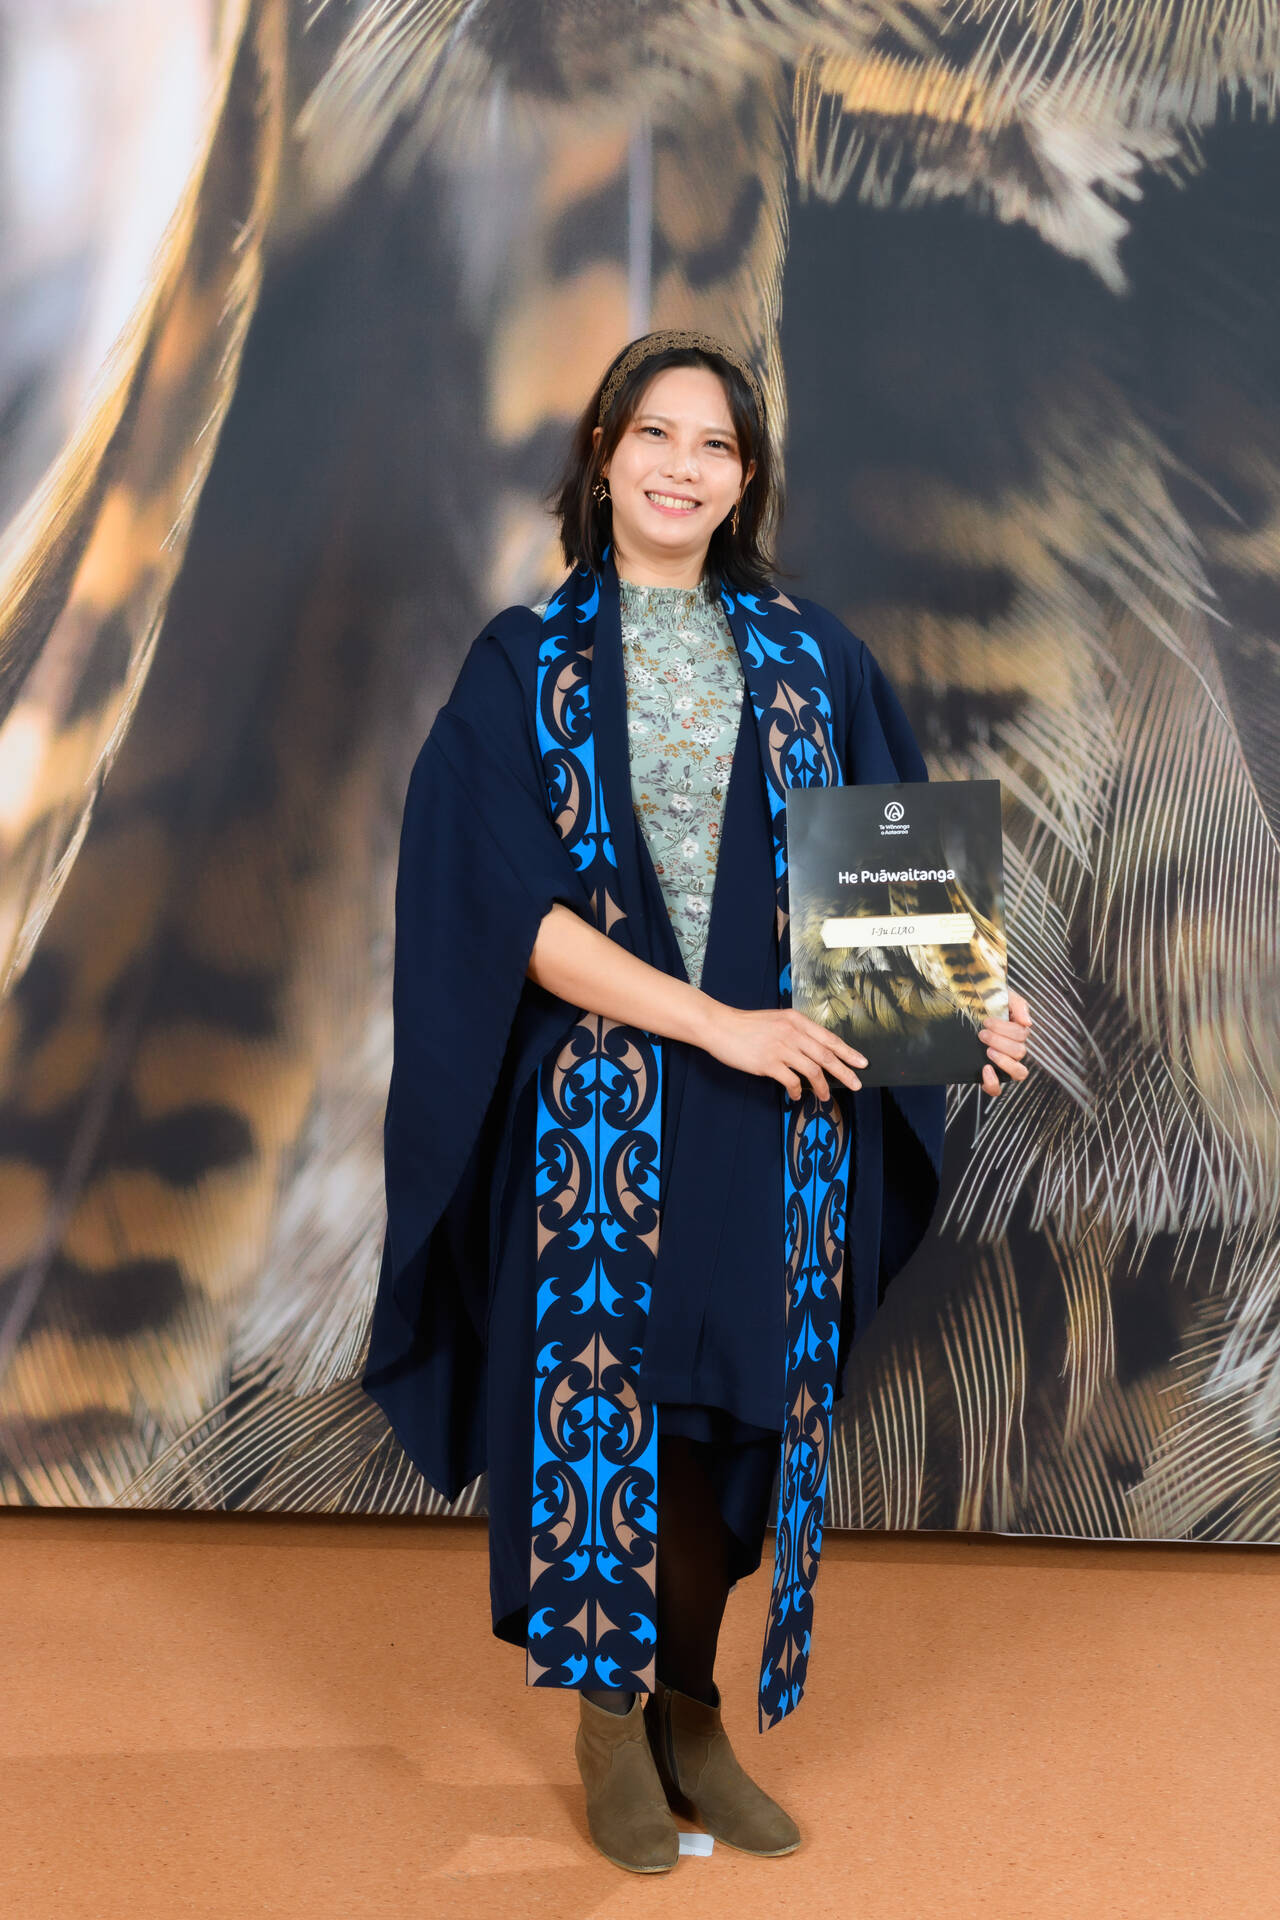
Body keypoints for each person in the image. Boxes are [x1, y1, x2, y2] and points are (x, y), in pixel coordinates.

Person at [363, 328, 1034, 1875]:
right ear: (603, 457)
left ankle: (691, 1709)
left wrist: (962, 1007)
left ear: (746, 480)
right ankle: (609, 1723)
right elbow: (510, 921)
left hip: (775, 1115)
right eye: (654, 435)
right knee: (620, 1406)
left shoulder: (813, 659)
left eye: (716, 445)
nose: (682, 466)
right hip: (598, 1116)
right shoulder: (522, 664)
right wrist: (716, 1026)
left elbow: (885, 897)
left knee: (740, 1412)